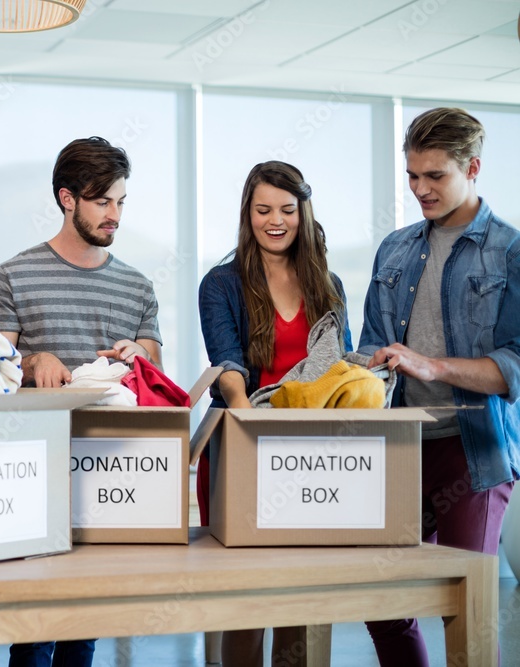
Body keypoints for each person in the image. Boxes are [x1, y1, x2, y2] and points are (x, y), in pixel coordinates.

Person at [0, 136, 162, 667]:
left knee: (86, 621)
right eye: (102, 201)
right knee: (36, 626)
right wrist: (30, 363)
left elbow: (153, 363)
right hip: (31, 468)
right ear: (67, 199)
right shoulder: (13, 275)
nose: (114, 214)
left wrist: (140, 354)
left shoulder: (137, 285)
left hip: (110, 470)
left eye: (121, 201)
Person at [359, 107, 520, 666]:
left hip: (473, 452)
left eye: (435, 176)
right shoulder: (395, 250)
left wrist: (433, 366)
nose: (419, 189)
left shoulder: (511, 251)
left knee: (463, 605)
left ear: (472, 167)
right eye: (412, 175)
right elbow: (371, 345)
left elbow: (515, 368)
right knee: (381, 599)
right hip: (400, 448)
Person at [198, 161, 352, 666]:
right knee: (247, 598)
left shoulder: (327, 283)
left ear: (303, 213)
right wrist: (249, 430)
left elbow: (340, 370)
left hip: (309, 452)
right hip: (243, 443)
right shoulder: (221, 283)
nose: (275, 220)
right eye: (263, 209)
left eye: (287, 209)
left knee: (300, 595)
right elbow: (228, 365)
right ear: (248, 213)